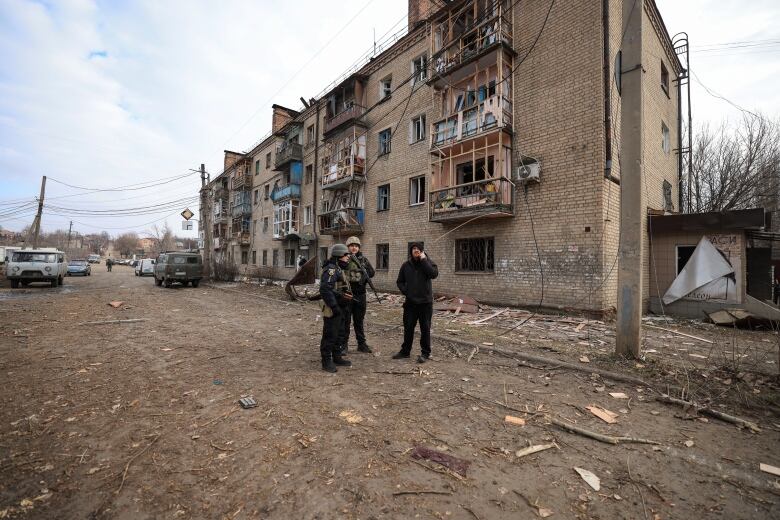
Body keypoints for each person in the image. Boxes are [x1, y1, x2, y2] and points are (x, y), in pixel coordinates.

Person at [394, 242, 438, 363]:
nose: (416, 250)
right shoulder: (406, 265)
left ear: (422, 251)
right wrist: (406, 292)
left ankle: (425, 353)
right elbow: (399, 281)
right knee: (408, 328)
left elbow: (433, 274)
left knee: (425, 328)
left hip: (425, 303)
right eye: (413, 249)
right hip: (411, 303)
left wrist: (424, 260)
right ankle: (405, 351)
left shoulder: (428, 263)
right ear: (411, 251)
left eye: (418, 249)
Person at [318, 244, 354, 373]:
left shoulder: (338, 268)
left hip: (340, 306)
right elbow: (325, 289)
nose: (348, 258)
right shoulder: (331, 269)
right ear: (339, 256)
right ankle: (326, 361)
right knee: (330, 334)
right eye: (346, 256)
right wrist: (334, 306)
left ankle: (337, 357)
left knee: (340, 333)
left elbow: (338, 288)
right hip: (332, 307)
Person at [339, 236, 376, 354]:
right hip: (347, 295)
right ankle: (344, 345)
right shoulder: (344, 259)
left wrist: (364, 270)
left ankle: (361, 344)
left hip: (360, 295)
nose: (354, 248)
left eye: (356, 246)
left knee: (359, 321)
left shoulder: (363, 260)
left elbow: (372, 272)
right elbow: (339, 272)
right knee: (345, 321)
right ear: (348, 247)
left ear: (359, 247)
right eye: (351, 245)